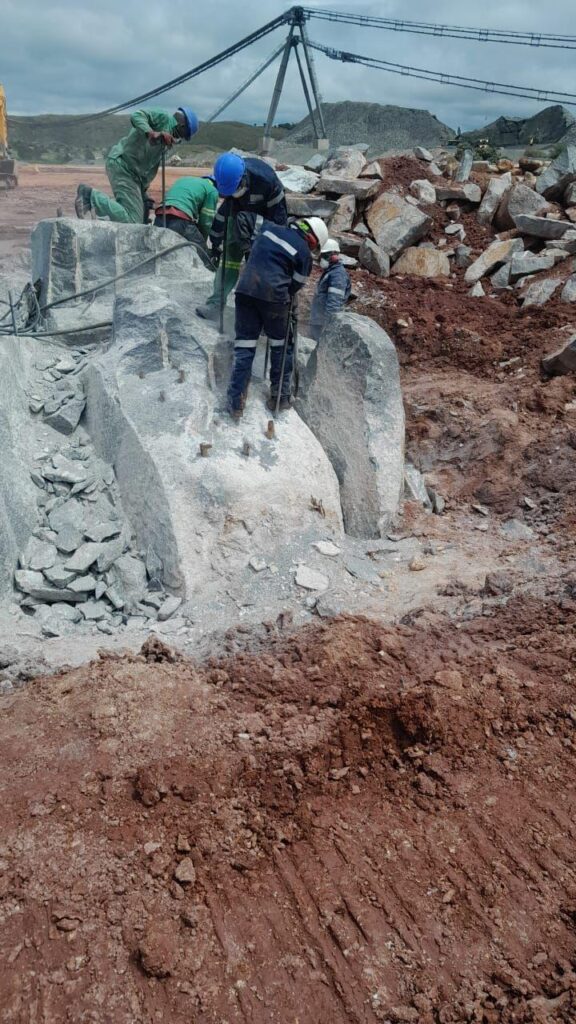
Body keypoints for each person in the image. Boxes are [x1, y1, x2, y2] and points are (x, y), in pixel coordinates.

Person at [226, 216, 329, 419]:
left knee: (245, 346)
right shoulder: (303, 253)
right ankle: (280, 396)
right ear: (313, 240)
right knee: (281, 346)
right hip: (274, 299)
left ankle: (235, 401)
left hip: (245, 291)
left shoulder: (269, 229)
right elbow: (295, 286)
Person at [196, 152, 288, 321]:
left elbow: (279, 219)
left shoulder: (267, 181)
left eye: (237, 189)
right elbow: (223, 215)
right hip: (240, 215)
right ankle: (215, 305)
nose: (235, 193)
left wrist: (271, 247)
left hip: (266, 221)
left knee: (263, 267)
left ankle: (263, 314)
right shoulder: (227, 183)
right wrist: (215, 244)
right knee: (229, 260)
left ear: (243, 177)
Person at [75, 107, 199, 225]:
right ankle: (89, 195)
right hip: (123, 165)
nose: (179, 139)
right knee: (133, 221)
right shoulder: (164, 117)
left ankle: (102, 216)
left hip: (133, 175)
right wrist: (150, 132)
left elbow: (148, 168)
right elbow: (137, 115)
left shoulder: (166, 141)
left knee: (136, 215)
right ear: (182, 126)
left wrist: (143, 193)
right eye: (183, 136)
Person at [153, 175, 218, 267]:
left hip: (160, 216)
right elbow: (206, 222)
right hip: (180, 219)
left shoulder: (185, 180)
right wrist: (202, 243)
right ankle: (210, 276)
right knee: (203, 256)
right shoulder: (212, 191)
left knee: (158, 255)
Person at [309, 238, 352, 341]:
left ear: (332, 256)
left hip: (322, 325)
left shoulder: (338, 275)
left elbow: (334, 304)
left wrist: (327, 327)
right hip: (318, 321)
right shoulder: (331, 271)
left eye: (323, 256)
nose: (320, 259)